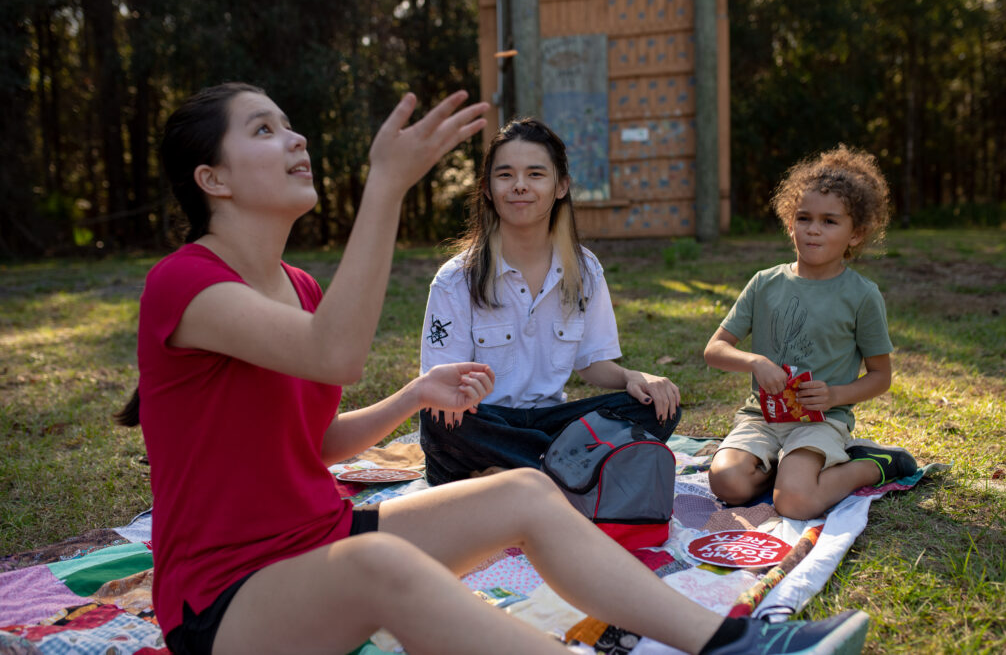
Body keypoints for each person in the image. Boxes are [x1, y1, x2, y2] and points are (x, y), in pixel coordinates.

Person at [116, 82, 871, 655]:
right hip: (222, 601)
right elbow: (334, 353)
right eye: (263, 129)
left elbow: (315, 445)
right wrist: (386, 185)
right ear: (212, 178)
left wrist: (412, 394)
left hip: (319, 536)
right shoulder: (183, 284)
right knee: (381, 561)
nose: (295, 138)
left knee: (527, 489)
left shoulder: (301, 289)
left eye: (288, 123)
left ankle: (734, 644)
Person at [418, 117, 681, 485]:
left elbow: (592, 364)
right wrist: (457, 397)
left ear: (561, 186)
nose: (520, 186)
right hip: (485, 422)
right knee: (437, 422)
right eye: (505, 175)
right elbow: (436, 389)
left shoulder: (585, 270)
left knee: (661, 409)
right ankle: (568, 472)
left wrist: (633, 377)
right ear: (489, 189)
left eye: (535, 174)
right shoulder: (455, 279)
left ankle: (509, 475)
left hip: (555, 423)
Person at [704, 145, 918, 521]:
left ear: (856, 234)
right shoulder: (765, 283)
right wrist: (755, 361)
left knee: (796, 504)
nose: (814, 229)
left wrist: (835, 394)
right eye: (804, 218)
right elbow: (715, 349)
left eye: (830, 221)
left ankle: (873, 464)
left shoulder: (862, 295)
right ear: (790, 223)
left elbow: (881, 376)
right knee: (726, 483)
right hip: (761, 417)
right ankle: (783, 471)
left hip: (822, 421)